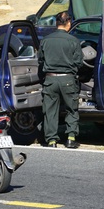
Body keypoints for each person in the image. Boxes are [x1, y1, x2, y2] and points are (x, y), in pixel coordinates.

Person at [39, 11, 84, 149]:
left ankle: (52, 140)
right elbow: (79, 62)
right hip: (68, 80)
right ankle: (70, 138)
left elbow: (40, 60)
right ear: (68, 23)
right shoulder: (74, 41)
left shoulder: (45, 40)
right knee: (72, 109)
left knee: (50, 110)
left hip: (50, 80)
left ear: (56, 23)